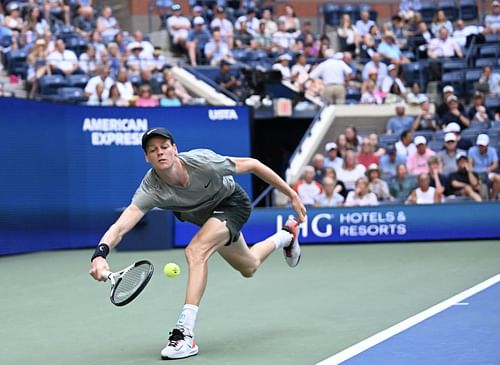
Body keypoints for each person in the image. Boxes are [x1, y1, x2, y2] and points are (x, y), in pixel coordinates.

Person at [89, 128, 306, 360]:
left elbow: (253, 164)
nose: (160, 152)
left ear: (175, 149)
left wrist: (291, 195)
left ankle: (185, 334)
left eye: (164, 147)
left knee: (196, 251)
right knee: (249, 266)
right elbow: (121, 226)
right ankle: (287, 236)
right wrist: (99, 255)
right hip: (207, 219)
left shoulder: (203, 163)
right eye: (153, 150)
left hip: (231, 204)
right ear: (147, 158)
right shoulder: (151, 188)